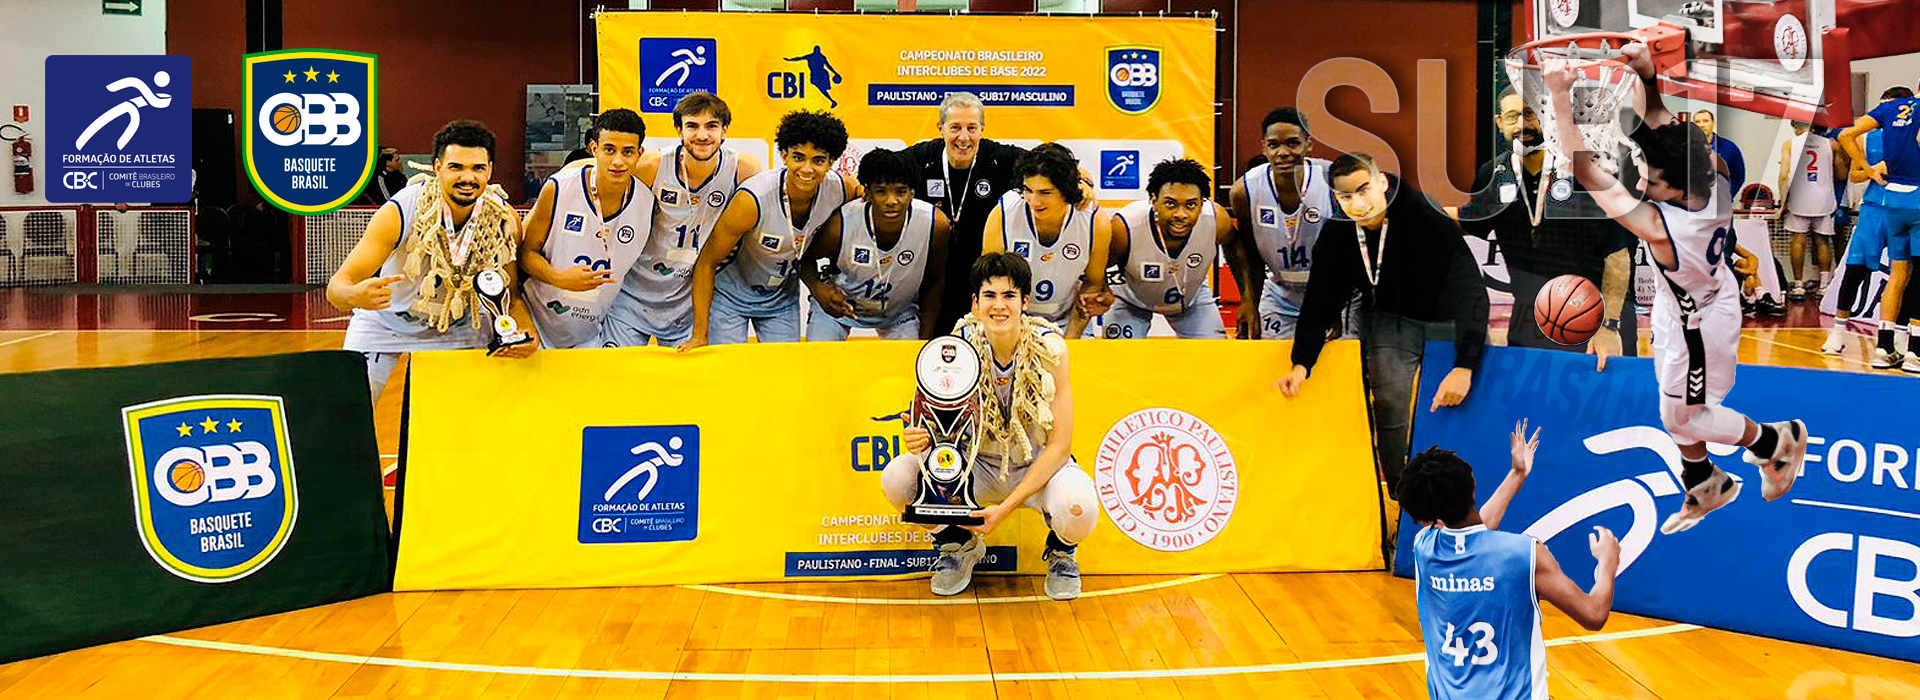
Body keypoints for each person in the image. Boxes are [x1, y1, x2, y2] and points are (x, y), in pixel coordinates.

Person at [1543, 44, 1809, 533]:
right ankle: (1707, 484)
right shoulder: (1715, 171)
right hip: (1688, 298)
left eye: (1651, 179)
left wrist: (1560, 95)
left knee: (1682, 418)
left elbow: (1583, 168)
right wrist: (1647, 75)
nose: (1642, 180)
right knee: (1679, 407)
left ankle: (1777, 441)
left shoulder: (1663, 228)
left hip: (1700, 319)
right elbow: (1663, 121)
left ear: (1675, 189)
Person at [882, 252, 1097, 600]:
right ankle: (957, 545)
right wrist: (920, 436)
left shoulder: (1050, 348)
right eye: (990, 296)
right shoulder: (957, 346)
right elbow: (934, 424)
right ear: (975, 303)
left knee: (1079, 507)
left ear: (1025, 302)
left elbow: (1060, 447)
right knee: (898, 478)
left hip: (1036, 465)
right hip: (975, 465)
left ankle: (1061, 551)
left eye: (1009, 295)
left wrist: (1006, 508)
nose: (1000, 306)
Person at [1276, 153, 1490, 495]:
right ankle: (1401, 498)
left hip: (1448, 317)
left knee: (1464, 402)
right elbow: (1319, 301)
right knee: (1390, 404)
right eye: (1345, 197)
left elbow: (1471, 291)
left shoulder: (1426, 217)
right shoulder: (1337, 234)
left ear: (1383, 184)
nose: (1357, 204)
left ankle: (1468, 494)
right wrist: (1301, 363)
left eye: (1363, 191)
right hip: (1390, 318)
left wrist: (1465, 364)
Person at [1400, 421, 1621, 700]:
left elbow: (1473, 530)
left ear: (1428, 519)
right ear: (1473, 485)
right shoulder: (1524, 555)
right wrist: (1606, 566)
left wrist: (1518, 474)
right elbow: (1593, 615)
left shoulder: (1424, 548)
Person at [328, 120, 536, 403]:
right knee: (348, 409)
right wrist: (353, 295)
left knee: (477, 416)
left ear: (490, 170)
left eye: (478, 168)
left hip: (459, 326)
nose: (468, 177)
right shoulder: (401, 212)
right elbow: (337, 288)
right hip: (386, 322)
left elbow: (508, 294)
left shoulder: (504, 218)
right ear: (437, 167)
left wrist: (523, 330)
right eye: (456, 167)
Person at [1458, 88, 1636, 364]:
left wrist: (1609, 326)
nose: (1522, 125)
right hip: (1529, 319)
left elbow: (1617, 254)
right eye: (1512, 116)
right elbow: (1467, 225)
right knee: (1529, 406)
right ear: (1499, 122)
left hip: (1592, 318)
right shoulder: (1492, 176)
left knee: (1599, 406)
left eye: (1531, 114)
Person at [600, 92, 764, 347]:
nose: (702, 135)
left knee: (688, 383)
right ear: (679, 130)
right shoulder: (652, 166)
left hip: (689, 300)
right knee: (621, 378)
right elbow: (600, 177)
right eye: (692, 126)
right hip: (633, 294)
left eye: (711, 126)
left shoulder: (744, 170)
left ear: (725, 131)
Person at [686, 110, 856, 348]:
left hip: (781, 298)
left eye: (818, 160)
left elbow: (874, 198)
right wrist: (699, 333)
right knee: (727, 373)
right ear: (784, 155)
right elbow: (706, 263)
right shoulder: (753, 199)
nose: (807, 169)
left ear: (831, 163)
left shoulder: (842, 189)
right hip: (730, 297)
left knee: (782, 375)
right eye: (798, 157)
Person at [519, 109, 654, 348]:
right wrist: (558, 277)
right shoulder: (558, 188)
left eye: (628, 152)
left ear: (639, 154)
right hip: (537, 323)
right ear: (594, 149)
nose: (618, 161)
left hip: (592, 332)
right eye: (609, 149)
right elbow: (525, 254)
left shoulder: (648, 202)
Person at [905, 93, 1033, 336]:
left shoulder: (1000, 158)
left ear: (982, 129)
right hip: (934, 279)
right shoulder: (921, 159)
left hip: (984, 277)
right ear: (940, 128)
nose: (963, 137)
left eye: (972, 128)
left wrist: (1081, 181)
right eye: (955, 127)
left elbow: (1047, 165)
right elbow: (882, 171)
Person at [1229, 107, 1357, 339]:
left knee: (1340, 366)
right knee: (1272, 367)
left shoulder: (1333, 180)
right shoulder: (1244, 191)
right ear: (1264, 147)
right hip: (1281, 295)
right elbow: (1250, 255)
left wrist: (1335, 303)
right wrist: (1249, 301)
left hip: (1332, 293)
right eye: (1274, 144)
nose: (1283, 152)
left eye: (1292, 143)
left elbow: (1350, 251)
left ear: (1309, 144)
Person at [801, 148, 953, 341]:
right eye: (881, 192)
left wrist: (924, 339)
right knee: (819, 360)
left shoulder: (935, 224)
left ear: (912, 193)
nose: (892, 201)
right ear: (867, 193)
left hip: (899, 312)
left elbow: (935, 281)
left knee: (908, 366)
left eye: (901, 192)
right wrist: (818, 289)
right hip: (840, 305)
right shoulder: (841, 224)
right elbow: (804, 258)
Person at [981, 144, 1111, 339]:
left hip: (1068, 320)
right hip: (1012, 318)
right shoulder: (1004, 212)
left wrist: (1071, 339)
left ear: (1066, 190)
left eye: (1045, 193)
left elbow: (1092, 284)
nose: (1034, 201)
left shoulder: (1094, 220)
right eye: (1028, 190)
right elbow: (988, 282)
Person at [1099, 158, 1234, 339]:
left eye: (1191, 205)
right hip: (1130, 299)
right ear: (1154, 200)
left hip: (1190, 298)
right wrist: (1101, 288)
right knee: (1118, 359)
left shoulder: (1216, 220)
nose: (1181, 214)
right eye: (1170, 204)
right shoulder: (1125, 226)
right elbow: (1098, 265)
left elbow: (1237, 249)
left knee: (1214, 358)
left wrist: (1248, 299)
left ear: (1202, 203)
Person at [1826, 87, 1914, 358]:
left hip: (1904, 204)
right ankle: (1838, 330)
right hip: (1874, 208)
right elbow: (1854, 176)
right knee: (1857, 267)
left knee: (1906, 275)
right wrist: (1871, 170)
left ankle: (1899, 334)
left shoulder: (1909, 135)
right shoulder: (1869, 138)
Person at [1777, 120, 1844, 301]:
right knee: (1823, 241)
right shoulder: (1831, 144)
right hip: (1824, 200)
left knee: (1797, 241)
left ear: (1794, 126)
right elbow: (1841, 174)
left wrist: (1783, 205)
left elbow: (1784, 176)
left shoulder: (1790, 144)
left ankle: (1798, 285)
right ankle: (1824, 285)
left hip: (1799, 199)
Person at [1693, 110, 1746, 190]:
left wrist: (1728, 194)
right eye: (1698, 122)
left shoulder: (1729, 148)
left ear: (1713, 123)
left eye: (1705, 121)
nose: (1702, 125)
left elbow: (1738, 177)